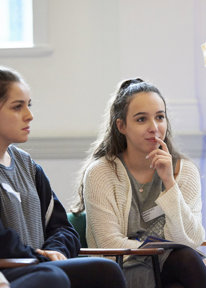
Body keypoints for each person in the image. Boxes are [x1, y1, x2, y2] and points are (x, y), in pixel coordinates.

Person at [72, 79, 206, 288]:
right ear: (121, 126)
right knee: (183, 265)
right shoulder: (101, 172)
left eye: (160, 117)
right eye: (141, 119)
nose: (154, 127)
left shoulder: (184, 171)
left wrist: (169, 182)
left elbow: (191, 240)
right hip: (120, 273)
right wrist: (161, 251)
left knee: (183, 266)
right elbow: (109, 245)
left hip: (174, 269)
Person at [0, 66, 127, 288]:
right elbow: (3, 243)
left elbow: (63, 228)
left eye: (28, 106)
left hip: (39, 266)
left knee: (105, 270)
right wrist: (41, 257)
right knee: (53, 278)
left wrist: (55, 251)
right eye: (17, 107)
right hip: (11, 272)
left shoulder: (28, 166)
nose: (29, 115)